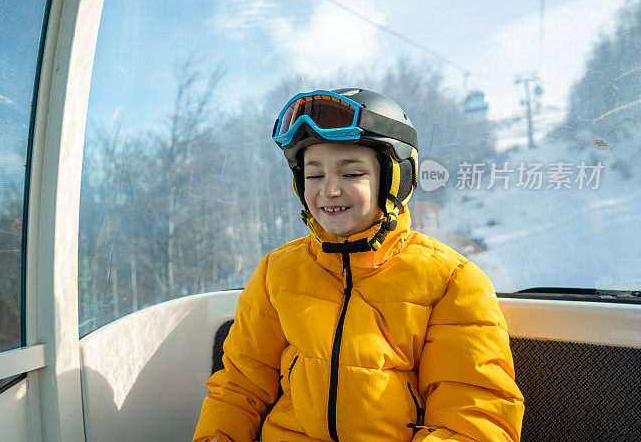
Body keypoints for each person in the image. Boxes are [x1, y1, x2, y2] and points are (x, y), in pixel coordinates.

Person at [193, 88, 524, 441]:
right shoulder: (278, 271)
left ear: (394, 179)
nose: (329, 190)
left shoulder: (449, 280)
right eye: (314, 175)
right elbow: (240, 387)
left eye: (351, 174)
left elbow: (473, 418)